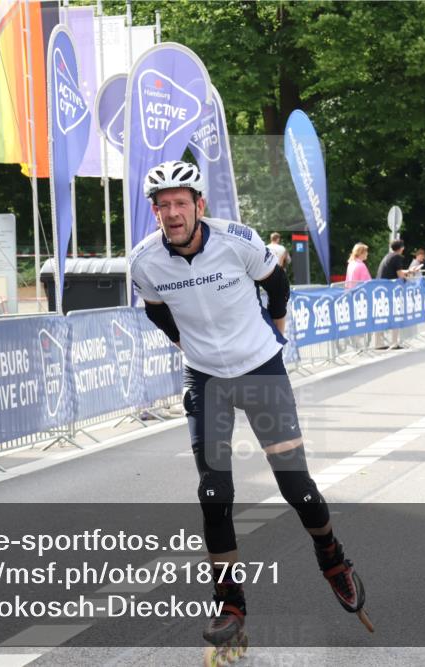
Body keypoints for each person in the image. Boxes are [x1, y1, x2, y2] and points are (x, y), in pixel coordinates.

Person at [129, 160, 370, 650]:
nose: (172, 213)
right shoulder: (144, 261)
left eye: (181, 203)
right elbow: (157, 313)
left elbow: (276, 284)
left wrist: (276, 332)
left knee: (295, 484)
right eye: (163, 206)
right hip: (206, 379)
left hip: (260, 368)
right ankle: (230, 604)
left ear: (199, 206)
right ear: (155, 213)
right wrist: (190, 348)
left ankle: (332, 558)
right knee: (214, 493)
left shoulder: (236, 239)